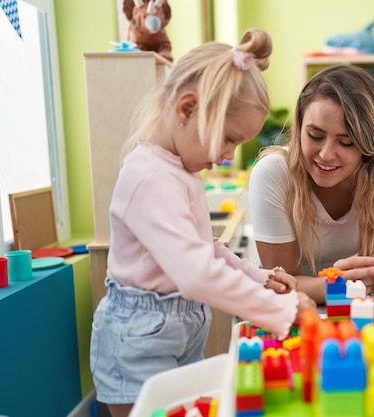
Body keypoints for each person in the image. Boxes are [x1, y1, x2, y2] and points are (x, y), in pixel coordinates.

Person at [90, 28, 316, 417]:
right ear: (187, 109)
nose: (229, 155)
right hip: (138, 340)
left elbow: (206, 248)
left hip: (180, 326)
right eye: (228, 139)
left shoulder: (181, 172)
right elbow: (196, 273)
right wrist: (280, 310)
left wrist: (258, 278)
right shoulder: (150, 176)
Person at [249, 64, 374, 305]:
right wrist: (340, 286)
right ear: (300, 126)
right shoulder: (273, 173)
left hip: (353, 298)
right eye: (315, 136)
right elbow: (281, 282)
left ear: (369, 146)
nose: (326, 154)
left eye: (345, 142)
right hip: (293, 302)